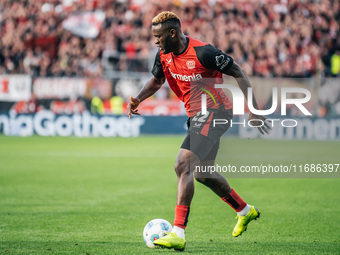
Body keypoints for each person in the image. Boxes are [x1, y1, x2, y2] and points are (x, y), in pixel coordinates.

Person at [128, 11, 271, 251]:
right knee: (203, 173)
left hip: (215, 111)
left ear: (172, 33)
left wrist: (254, 110)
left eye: (159, 36)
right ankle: (245, 211)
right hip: (196, 116)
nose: (156, 41)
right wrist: (138, 99)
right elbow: (156, 80)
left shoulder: (204, 52)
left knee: (183, 164)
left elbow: (239, 72)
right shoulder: (163, 55)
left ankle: (178, 233)